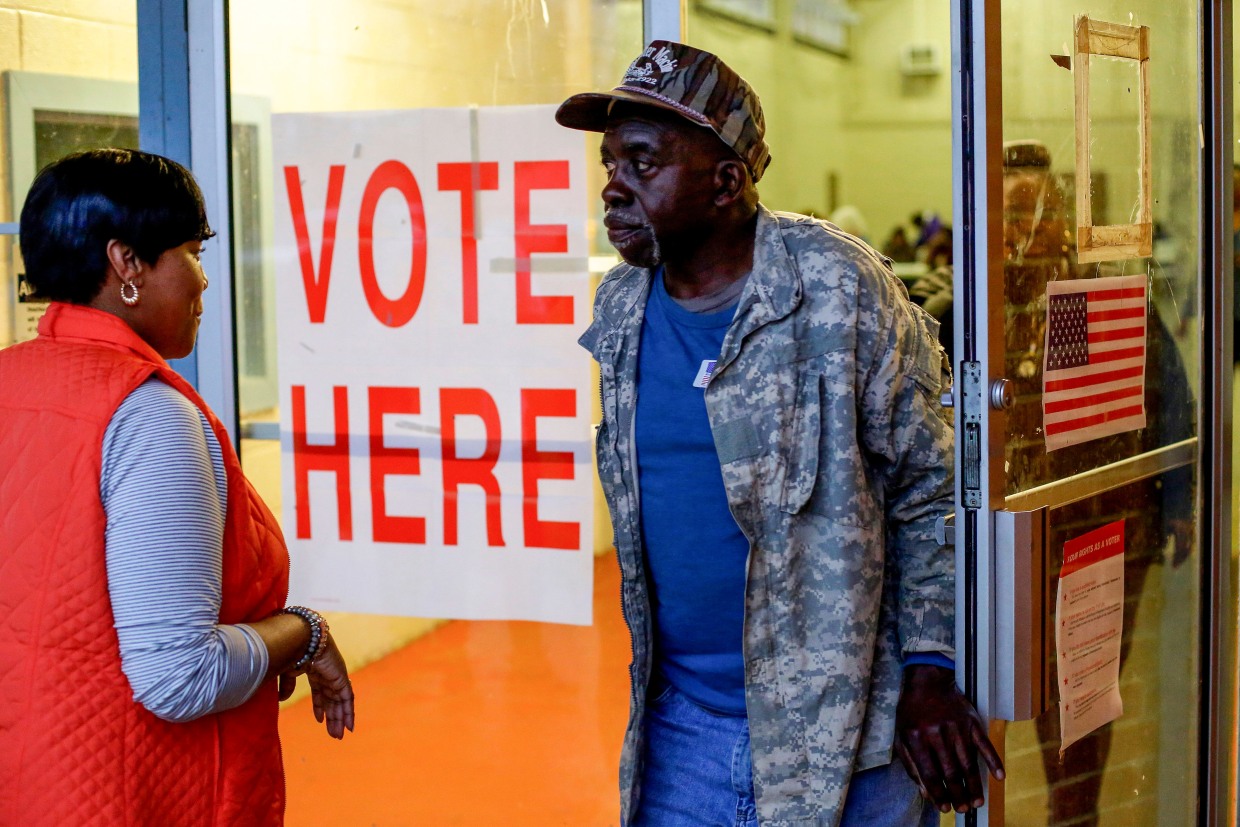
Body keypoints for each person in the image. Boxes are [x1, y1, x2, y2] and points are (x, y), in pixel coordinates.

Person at [556, 41, 1003, 826]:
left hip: (850, 737)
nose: (613, 186)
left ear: (728, 181)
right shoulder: (622, 306)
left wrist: (931, 667)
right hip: (682, 733)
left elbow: (932, 485)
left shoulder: (837, 286)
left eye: (643, 161)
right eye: (610, 163)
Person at [0, 149, 355, 826]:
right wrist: (302, 633)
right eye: (191, 254)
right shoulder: (146, 414)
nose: (203, 282)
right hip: (130, 796)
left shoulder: (10, 380)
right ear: (126, 263)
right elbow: (177, 675)